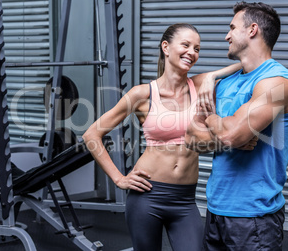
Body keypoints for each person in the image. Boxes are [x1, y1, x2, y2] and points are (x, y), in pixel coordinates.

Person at [83, 23, 243, 251]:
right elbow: (92, 134)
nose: (192, 53)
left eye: (197, 48)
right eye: (186, 45)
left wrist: (212, 75)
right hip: (147, 195)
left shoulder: (199, 86)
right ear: (166, 47)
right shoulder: (142, 94)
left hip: (185, 199)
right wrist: (119, 179)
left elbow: (245, 64)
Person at [185, 1, 288, 250]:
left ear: (252, 30)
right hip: (216, 208)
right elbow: (191, 139)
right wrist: (213, 77)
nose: (226, 35)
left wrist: (212, 120)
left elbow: (231, 134)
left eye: (232, 28)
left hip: (255, 216)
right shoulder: (226, 82)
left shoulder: (277, 83)